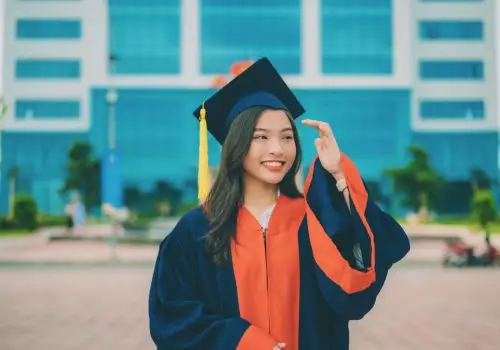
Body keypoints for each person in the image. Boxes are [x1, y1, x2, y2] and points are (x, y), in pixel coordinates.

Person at [148, 58, 410, 350]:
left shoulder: (313, 221)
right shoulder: (198, 228)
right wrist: (246, 342)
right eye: (261, 137)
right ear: (236, 145)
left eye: (287, 137)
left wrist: (339, 174)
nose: (277, 149)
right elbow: (172, 317)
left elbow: (359, 287)